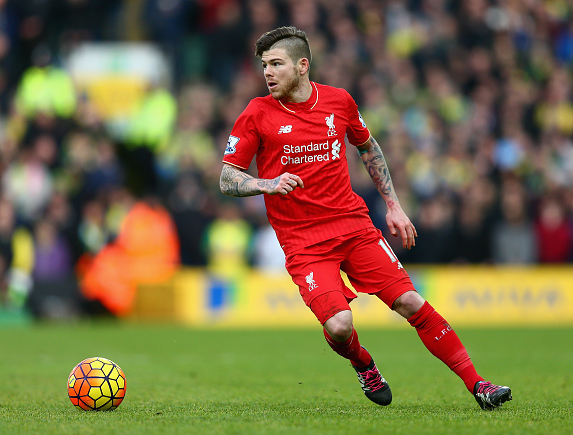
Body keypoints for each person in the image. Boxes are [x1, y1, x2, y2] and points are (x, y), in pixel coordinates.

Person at [219, 26, 512, 410]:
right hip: (304, 243)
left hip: (353, 226)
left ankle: (479, 385)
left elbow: (368, 146)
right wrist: (266, 183)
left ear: (303, 65)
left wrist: (393, 204)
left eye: (276, 64)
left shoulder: (339, 102)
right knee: (340, 326)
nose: (267, 73)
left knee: (410, 301)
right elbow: (227, 178)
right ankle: (363, 363)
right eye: (264, 66)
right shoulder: (257, 113)